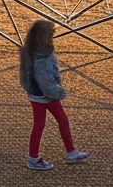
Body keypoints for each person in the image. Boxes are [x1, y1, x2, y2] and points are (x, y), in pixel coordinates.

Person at [19, 18, 87, 170]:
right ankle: (35, 159)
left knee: (47, 123)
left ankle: (69, 152)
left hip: (35, 93)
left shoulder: (29, 49)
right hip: (45, 95)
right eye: (51, 33)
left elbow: (24, 75)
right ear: (44, 35)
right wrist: (58, 92)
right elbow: (44, 79)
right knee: (52, 122)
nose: (53, 35)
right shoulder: (41, 54)